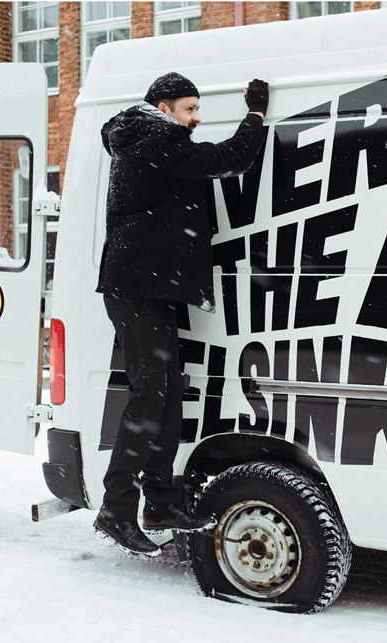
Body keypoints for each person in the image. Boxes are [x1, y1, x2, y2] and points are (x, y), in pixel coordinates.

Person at [93, 72, 269, 557]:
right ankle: (116, 508)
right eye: (190, 109)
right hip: (136, 292)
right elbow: (230, 159)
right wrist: (255, 114)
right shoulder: (156, 136)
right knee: (151, 396)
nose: (196, 119)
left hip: (147, 289)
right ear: (165, 107)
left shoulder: (148, 136)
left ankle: (161, 501)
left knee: (169, 395)